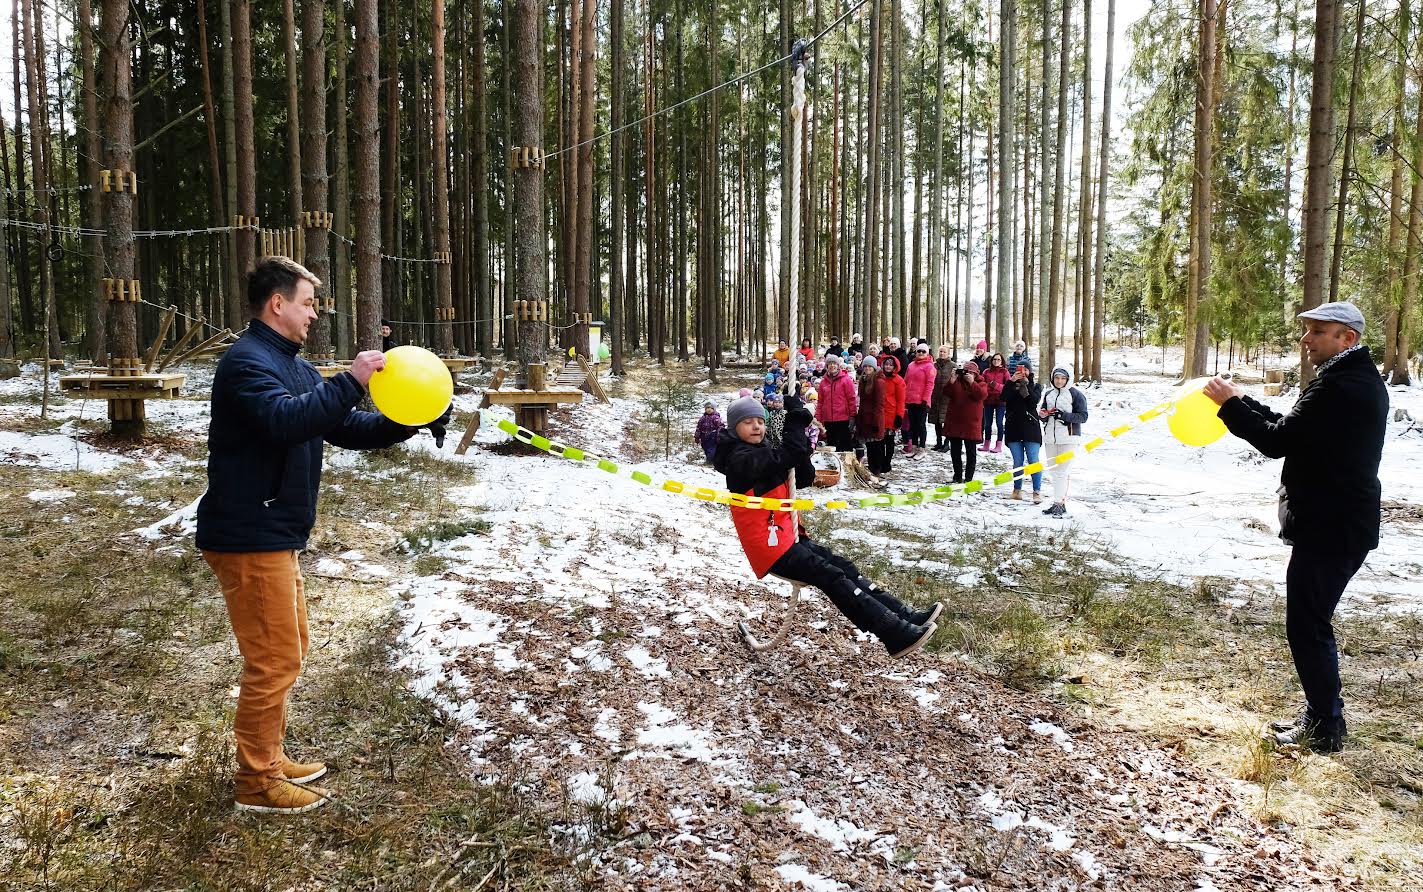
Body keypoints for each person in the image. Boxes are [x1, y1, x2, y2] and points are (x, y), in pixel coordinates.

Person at [198, 257, 449, 814]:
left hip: (274, 531)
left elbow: (346, 428)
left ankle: (268, 755)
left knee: (288, 649)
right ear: (277, 304)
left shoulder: (295, 366)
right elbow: (286, 421)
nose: (314, 313)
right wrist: (352, 380)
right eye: (308, 303)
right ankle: (257, 781)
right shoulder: (246, 363)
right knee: (273, 659)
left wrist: (409, 418)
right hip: (248, 532)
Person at [1203, 302, 1387, 753]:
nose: (1306, 340)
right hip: (1333, 523)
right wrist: (1241, 402)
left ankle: (1325, 727)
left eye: (1318, 331)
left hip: (1333, 526)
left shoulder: (1343, 386)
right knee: (1309, 622)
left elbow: (1276, 440)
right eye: (1307, 330)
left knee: (1308, 626)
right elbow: (1293, 429)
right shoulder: (1344, 378)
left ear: (1347, 338)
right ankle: (1322, 716)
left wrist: (1231, 407)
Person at [714, 396, 941, 658]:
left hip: (789, 536)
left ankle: (902, 615)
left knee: (844, 567)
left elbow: (804, 477)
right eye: (747, 422)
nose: (756, 426)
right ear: (734, 427)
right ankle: (893, 632)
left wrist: (800, 449)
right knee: (831, 576)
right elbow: (786, 455)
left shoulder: (761, 451)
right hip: (771, 547)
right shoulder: (737, 458)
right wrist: (796, 422)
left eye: (760, 421)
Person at [1038, 366, 1089, 517]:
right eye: (1057, 378)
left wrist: (1063, 415)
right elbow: (1043, 414)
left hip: (1069, 439)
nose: (1059, 381)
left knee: (1062, 472)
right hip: (1050, 439)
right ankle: (1057, 503)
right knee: (1054, 472)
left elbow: (1083, 416)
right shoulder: (1049, 394)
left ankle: (1059, 504)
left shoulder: (1076, 394)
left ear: (1068, 379)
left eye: (1062, 378)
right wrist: (1043, 415)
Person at [1001, 360, 1044, 503]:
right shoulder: (1011, 385)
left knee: (1033, 460)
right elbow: (1003, 397)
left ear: (1030, 372)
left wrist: (1026, 385)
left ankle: (1036, 491)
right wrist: (1011, 382)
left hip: (1031, 429)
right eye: (1020, 369)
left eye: (1026, 369)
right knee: (1017, 461)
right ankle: (1016, 491)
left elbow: (1033, 402)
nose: (1023, 372)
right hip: (1013, 427)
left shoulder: (1036, 386)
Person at [942, 359, 989, 484]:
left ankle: (969, 478)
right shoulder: (957, 381)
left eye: (971, 372)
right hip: (955, 420)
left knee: (971, 452)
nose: (968, 374)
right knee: (955, 451)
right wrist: (952, 380)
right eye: (966, 371)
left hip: (971, 423)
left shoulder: (981, 383)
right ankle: (957, 476)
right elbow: (946, 392)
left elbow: (981, 395)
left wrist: (972, 383)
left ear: (976, 373)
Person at [816, 353, 858, 452]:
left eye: (834, 363)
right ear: (827, 366)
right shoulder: (823, 382)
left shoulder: (846, 380)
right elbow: (820, 402)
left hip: (843, 419)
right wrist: (819, 419)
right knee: (831, 448)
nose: (832, 366)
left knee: (845, 448)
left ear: (838, 365)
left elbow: (851, 399)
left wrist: (852, 416)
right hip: (828, 420)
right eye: (830, 364)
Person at [872, 355, 906, 474]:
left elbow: (901, 400)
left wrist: (899, 416)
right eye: (886, 364)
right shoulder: (878, 378)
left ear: (894, 367)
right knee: (880, 440)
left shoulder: (898, 381)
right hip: (880, 413)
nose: (888, 367)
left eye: (891, 365)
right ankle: (881, 462)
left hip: (892, 414)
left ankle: (887, 462)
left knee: (889, 441)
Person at [903, 342, 938, 456]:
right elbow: (906, 381)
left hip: (922, 401)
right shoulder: (911, 365)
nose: (921, 353)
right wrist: (904, 397)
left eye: (923, 351)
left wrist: (925, 399)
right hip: (910, 400)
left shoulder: (929, 366)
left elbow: (930, 384)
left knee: (921, 425)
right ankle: (913, 447)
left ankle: (922, 448)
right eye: (919, 351)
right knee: (912, 425)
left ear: (927, 353)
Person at [856, 357, 887, 471]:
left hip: (875, 418)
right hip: (865, 417)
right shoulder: (864, 380)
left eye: (870, 366)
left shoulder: (878, 382)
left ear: (874, 368)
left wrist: (876, 422)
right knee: (869, 445)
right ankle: (872, 467)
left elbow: (880, 404)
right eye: (865, 366)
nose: (867, 368)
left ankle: (876, 469)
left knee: (876, 446)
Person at [979, 353, 1010, 453]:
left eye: (998, 360)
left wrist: (996, 386)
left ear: (1002, 361)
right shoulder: (986, 371)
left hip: (1001, 401)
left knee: (999, 423)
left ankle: (999, 445)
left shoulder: (1005, 372)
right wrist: (989, 388)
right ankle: (986, 444)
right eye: (994, 359)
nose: (996, 361)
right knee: (987, 424)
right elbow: (982, 384)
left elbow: (1008, 387)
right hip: (988, 400)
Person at [931, 345, 954, 452]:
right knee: (937, 422)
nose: (942, 353)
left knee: (947, 422)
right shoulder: (934, 365)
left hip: (947, 398)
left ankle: (947, 443)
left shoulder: (952, 366)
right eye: (940, 351)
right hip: (936, 397)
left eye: (944, 352)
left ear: (948, 353)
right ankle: (939, 442)